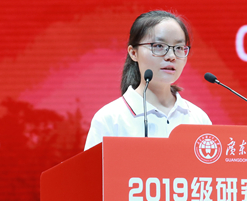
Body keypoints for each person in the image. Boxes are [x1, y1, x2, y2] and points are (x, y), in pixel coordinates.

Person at [84, 10, 211, 149]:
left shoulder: (198, 118)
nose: (171, 56)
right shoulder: (110, 119)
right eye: (159, 46)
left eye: (179, 48)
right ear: (133, 53)